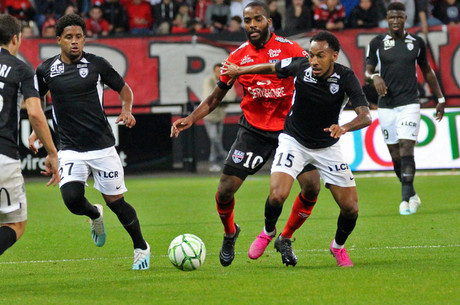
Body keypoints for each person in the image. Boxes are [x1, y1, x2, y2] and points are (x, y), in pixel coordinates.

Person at [171, 1, 321, 267]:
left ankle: (284, 238)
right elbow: (215, 97)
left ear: (269, 21)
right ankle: (230, 232)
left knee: (311, 186)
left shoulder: (290, 49)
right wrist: (191, 118)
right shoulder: (237, 57)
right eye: (247, 20)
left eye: (257, 19)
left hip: (290, 131)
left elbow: (310, 76)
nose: (252, 25)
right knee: (225, 189)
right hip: (253, 130)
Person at [222, 30, 372, 267]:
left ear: (334, 55)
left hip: (327, 147)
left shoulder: (346, 77)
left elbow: (366, 116)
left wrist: (344, 127)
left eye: (320, 56)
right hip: (294, 141)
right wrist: (240, 71)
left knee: (351, 209)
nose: (313, 61)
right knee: (277, 195)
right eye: (311, 55)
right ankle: (268, 231)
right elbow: (271, 67)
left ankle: (337, 247)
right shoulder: (300, 66)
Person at [30, 14, 151, 270]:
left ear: (85, 39)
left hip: (102, 146)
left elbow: (124, 88)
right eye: (69, 37)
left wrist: (126, 109)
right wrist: (35, 129)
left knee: (117, 204)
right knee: (72, 200)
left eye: (79, 37)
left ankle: (141, 246)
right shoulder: (45, 70)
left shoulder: (97, 65)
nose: (75, 42)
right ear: (58, 40)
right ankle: (94, 214)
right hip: (69, 148)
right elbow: (36, 101)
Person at [366, 2, 445, 215]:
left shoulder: (417, 42)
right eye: (392, 17)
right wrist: (375, 77)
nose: (395, 21)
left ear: (405, 18)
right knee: (395, 154)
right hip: (386, 105)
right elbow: (367, 70)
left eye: (399, 17)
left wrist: (440, 97)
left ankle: (404, 199)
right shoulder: (377, 42)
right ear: (387, 18)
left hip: (410, 103)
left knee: (407, 148)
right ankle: (412, 193)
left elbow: (427, 71)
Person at [0, 14, 60, 256]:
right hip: (3, 156)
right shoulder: (21, 69)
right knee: (15, 223)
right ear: (16, 38)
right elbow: (35, 113)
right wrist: (53, 152)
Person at [202, 63, 236, 172]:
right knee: (214, 138)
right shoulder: (209, 80)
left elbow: (231, 97)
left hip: (220, 114)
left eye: (220, 71)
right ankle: (224, 156)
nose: (218, 73)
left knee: (217, 139)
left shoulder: (228, 80)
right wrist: (221, 99)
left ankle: (214, 162)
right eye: (216, 71)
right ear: (213, 71)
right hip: (209, 115)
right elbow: (209, 96)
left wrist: (221, 99)